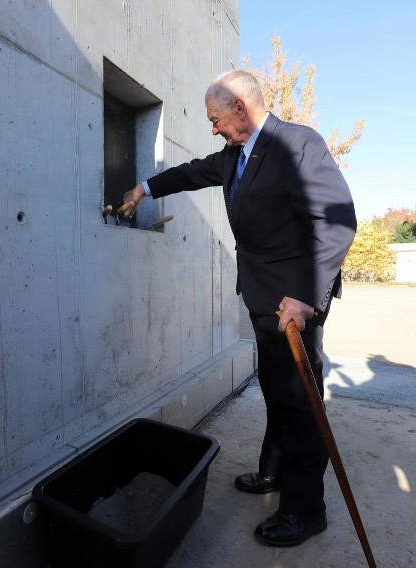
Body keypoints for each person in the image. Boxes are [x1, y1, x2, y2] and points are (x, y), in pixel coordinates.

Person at [121, 70, 356, 547]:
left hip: (295, 304)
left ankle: (306, 510)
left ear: (240, 109)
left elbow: (336, 221)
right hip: (262, 298)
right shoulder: (235, 157)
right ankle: (273, 471)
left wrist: (308, 296)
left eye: (215, 119)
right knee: (275, 388)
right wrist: (144, 187)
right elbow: (190, 173)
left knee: (300, 404)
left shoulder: (296, 144)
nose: (213, 128)